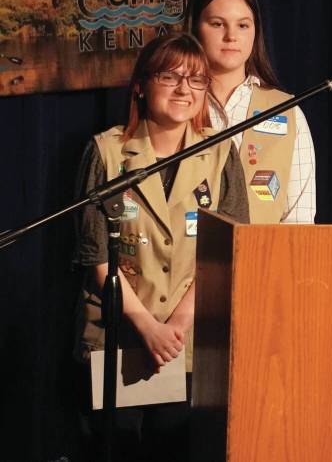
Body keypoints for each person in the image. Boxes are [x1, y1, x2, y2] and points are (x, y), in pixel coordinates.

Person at [73, 33, 249, 461]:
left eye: (196, 80)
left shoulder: (221, 153)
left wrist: (177, 326)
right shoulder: (107, 151)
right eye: (170, 76)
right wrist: (147, 326)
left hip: (187, 343)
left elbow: (228, 251)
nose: (184, 90)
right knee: (116, 449)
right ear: (141, 84)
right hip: (118, 335)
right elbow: (95, 255)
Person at [187, 0, 316, 223]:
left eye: (243, 25)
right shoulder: (177, 103)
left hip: (265, 258)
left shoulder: (286, 110)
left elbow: (299, 218)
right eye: (217, 24)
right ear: (195, 27)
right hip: (187, 259)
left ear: (255, 31)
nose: (231, 36)